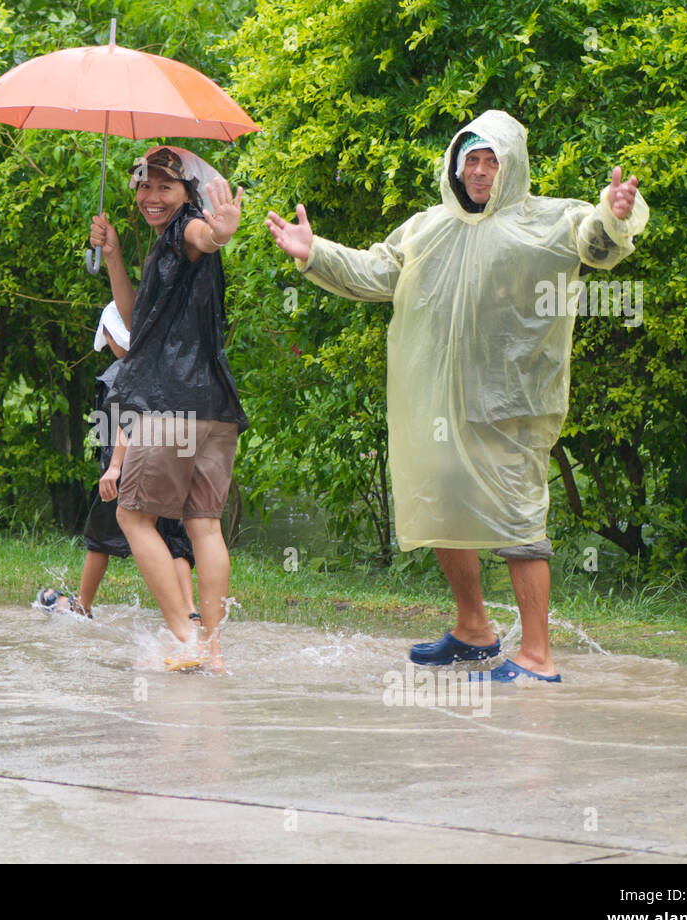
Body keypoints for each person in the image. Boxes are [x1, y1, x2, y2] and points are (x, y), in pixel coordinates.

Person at [266, 110, 648, 682]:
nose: (480, 170)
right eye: (472, 158)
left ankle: (538, 655)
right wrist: (314, 250)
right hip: (442, 408)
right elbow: (379, 273)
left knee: (521, 526)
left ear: (511, 165)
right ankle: (474, 629)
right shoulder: (427, 229)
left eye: (493, 159)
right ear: (455, 162)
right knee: (443, 502)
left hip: (515, 405)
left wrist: (614, 217)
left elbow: (596, 244)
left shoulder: (547, 220)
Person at [90, 146, 248, 673]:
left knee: (133, 516)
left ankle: (187, 639)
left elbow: (205, 238)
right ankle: (214, 649)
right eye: (143, 185)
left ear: (186, 194)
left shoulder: (186, 231)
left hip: (171, 405)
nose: (150, 196)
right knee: (204, 524)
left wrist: (220, 230)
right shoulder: (162, 246)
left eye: (164, 186)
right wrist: (113, 256)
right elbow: (137, 326)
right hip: (214, 409)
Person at [37, 302, 199, 621]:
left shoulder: (117, 377)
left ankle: (81, 604)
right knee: (174, 536)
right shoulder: (170, 370)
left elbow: (120, 427)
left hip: (129, 469)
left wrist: (112, 470)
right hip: (172, 466)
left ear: (113, 334)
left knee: (99, 536)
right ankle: (191, 612)